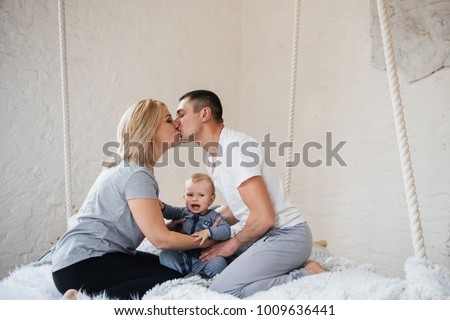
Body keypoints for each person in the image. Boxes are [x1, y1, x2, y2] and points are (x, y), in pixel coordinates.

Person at [51, 99, 215, 300]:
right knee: (172, 280)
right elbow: (160, 240)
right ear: (150, 130)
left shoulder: (130, 168)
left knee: (170, 270)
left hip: (75, 262)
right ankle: (82, 302)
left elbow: (142, 227)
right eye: (169, 120)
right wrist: (208, 241)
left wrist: (169, 228)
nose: (176, 124)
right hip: (84, 264)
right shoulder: (137, 174)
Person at [174, 89, 325, 298]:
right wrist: (201, 222)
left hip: (287, 235)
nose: (176, 122)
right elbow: (242, 207)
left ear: (204, 114)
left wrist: (232, 243)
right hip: (264, 237)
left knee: (222, 290)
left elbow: (264, 217)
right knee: (218, 263)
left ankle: (307, 273)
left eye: (181, 114)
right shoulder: (211, 157)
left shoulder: (237, 149)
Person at [159, 172, 231, 278]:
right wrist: (162, 206)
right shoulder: (183, 212)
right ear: (184, 197)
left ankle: (200, 276)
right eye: (190, 195)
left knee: (219, 263)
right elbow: (170, 212)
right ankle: (178, 275)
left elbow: (226, 230)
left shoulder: (215, 216)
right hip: (182, 256)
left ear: (211, 199)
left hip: (202, 259)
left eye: (201, 195)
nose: (194, 199)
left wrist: (209, 232)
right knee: (166, 254)